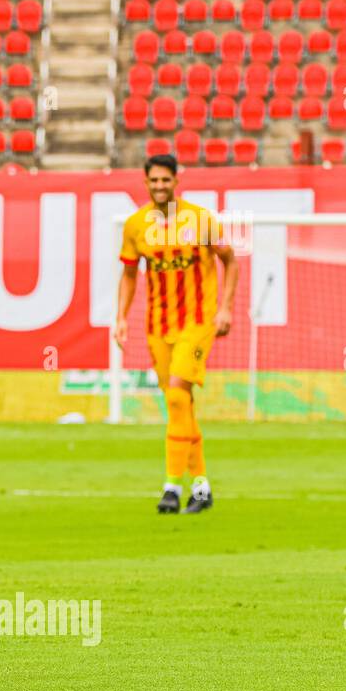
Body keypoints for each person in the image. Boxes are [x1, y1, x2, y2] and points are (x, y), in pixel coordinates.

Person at [116, 154, 239, 514]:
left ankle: (171, 487)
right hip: (157, 325)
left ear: (176, 180)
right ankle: (201, 487)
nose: (159, 187)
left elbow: (230, 260)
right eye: (153, 181)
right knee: (180, 404)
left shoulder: (200, 219)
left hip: (198, 323)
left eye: (165, 181)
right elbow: (128, 274)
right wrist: (121, 317)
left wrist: (226, 307)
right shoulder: (136, 225)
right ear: (145, 182)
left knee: (175, 397)